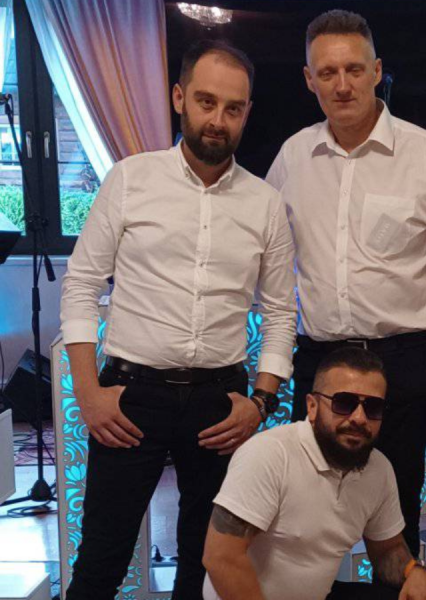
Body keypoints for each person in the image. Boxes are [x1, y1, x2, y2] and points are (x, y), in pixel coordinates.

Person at [60, 40, 296, 599]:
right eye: (206, 102)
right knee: (101, 561)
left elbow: (281, 313)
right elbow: (81, 285)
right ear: (178, 97)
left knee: (207, 564)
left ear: (247, 113)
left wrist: (260, 404)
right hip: (130, 398)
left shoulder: (265, 203)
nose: (218, 120)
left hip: (221, 405)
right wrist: (88, 393)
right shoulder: (130, 179)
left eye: (233, 108)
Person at [266, 9, 426, 557]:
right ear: (309, 79)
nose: (342, 84)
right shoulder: (293, 157)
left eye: (354, 69)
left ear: (377, 71)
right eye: (328, 72)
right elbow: (265, 251)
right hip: (319, 364)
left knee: (396, 514)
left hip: (401, 365)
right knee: (305, 513)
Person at [202, 347, 426, 600]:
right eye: (344, 403)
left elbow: (387, 549)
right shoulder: (270, 454)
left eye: (373, 407)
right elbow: (221, 558)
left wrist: (415, 571)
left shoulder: (378, 469)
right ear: (312, 406)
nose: (359, 418)